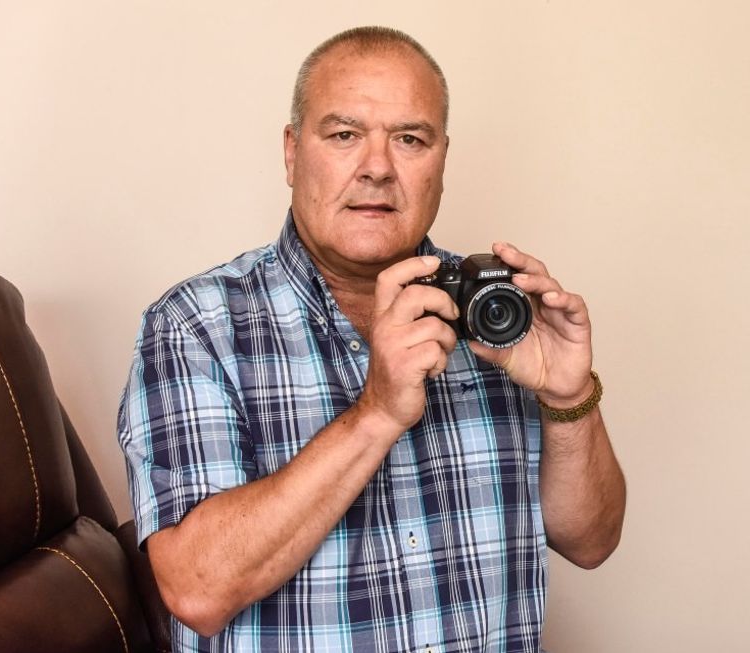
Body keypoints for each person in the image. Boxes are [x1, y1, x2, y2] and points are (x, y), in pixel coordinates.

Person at [118, 26, 625, 652]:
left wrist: (569, 398)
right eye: (344, 135)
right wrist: (377, 412)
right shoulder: (197, 324)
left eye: (410, 139)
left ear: (441, 161)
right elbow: (197, 590)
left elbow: (591, 541)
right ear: (292, 152)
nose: (378, 168)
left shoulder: (493, 310)